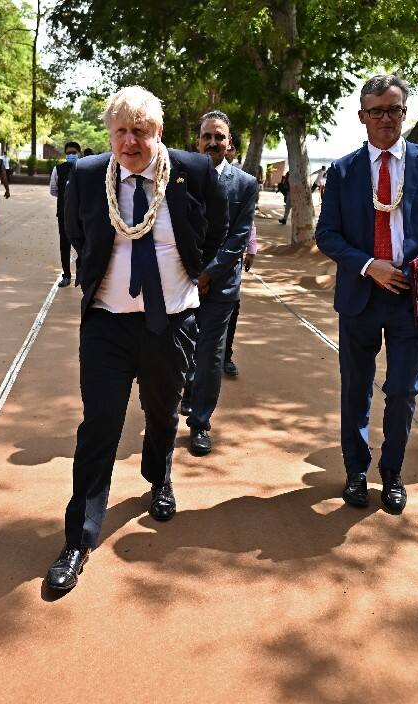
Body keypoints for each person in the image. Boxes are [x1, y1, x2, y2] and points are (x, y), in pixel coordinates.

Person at [44, 86, 226, 592]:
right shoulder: (84, 175)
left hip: (171, 323)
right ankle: (78, 539)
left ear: (158, 132)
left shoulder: (194, 171)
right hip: (107, 322)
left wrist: (197, 272)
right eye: (121, 130)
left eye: (140, 131)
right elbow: (78, 235)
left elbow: (217, 226)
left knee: (164, 412)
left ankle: (158, 474)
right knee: (99, 425)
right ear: (110, 132)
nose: (130, 142)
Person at [315, 74, 418, 514]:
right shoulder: (344, 170)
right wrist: (370, 265)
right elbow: (327, 234)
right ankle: (355, 472)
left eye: (394, 109)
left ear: (405, 113)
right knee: (356, 389)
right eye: (377, 111)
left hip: (414, 298)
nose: (386, 118)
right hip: (361, 298)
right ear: (362, 116)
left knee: (402, 390)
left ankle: (393, 472)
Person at [181, 110, 257, 456]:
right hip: (178, 280)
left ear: (230, 144)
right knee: (178, 349)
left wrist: (208, 275)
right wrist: (189, 274)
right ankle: (186, 392)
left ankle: (200, 423)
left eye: (220, 137)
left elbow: (238, 237)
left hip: (220, 285)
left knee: (210, 354)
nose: (213, 142)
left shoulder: (245, 184)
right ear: (197, 142)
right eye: (206, 136)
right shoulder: (180, 178)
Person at [223, 223, 258, 377]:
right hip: (204, 252)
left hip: (233, 256)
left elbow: (248, 220)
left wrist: (251, 249)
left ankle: (226, 357)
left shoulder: (242, 197)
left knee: (232, 309)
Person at [49, 140, 82, 287]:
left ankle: (81, 274)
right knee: (64, 244)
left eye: (73, 153)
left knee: (83, 244)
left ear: (78, 153)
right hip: (63, 213)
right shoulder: (58, 169)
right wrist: (66, 200)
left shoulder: (85, 168)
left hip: (82, 214)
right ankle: (66, 275)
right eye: (68, 153)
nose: (71, 155)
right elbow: (53, 190)